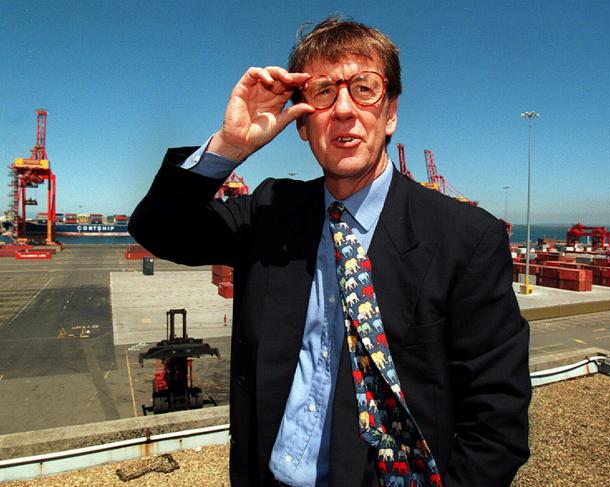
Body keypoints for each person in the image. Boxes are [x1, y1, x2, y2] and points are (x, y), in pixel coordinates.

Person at [129, 17, 531, 487]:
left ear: (391, 112)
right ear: (301, 123)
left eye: (364, 88)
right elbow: (158, 229)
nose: (343, 109)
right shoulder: (269, 211)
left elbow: (496, 420)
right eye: (322, 92)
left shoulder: (466, 237)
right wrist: (230, 147)